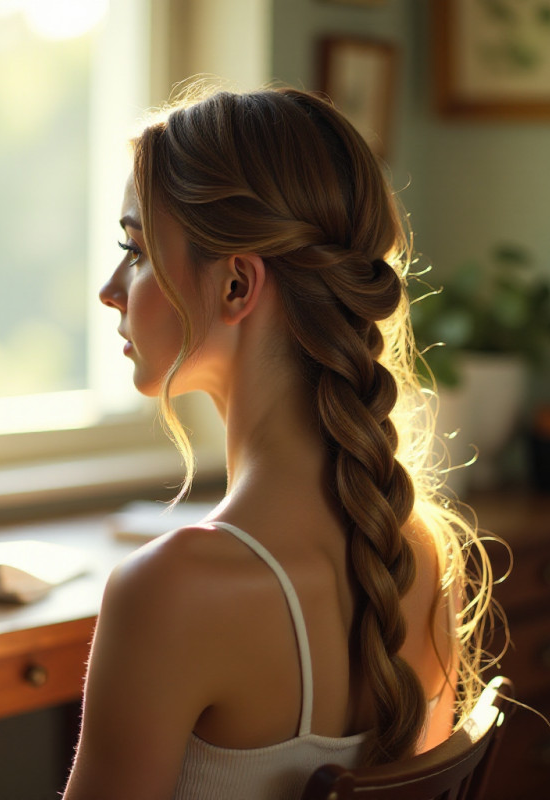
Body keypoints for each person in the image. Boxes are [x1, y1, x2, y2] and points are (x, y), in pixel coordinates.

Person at [62, 86, 498, 800]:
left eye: (134, 250)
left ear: (237, 284)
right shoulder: (414, 552)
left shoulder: (170, 591)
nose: (112, 289)